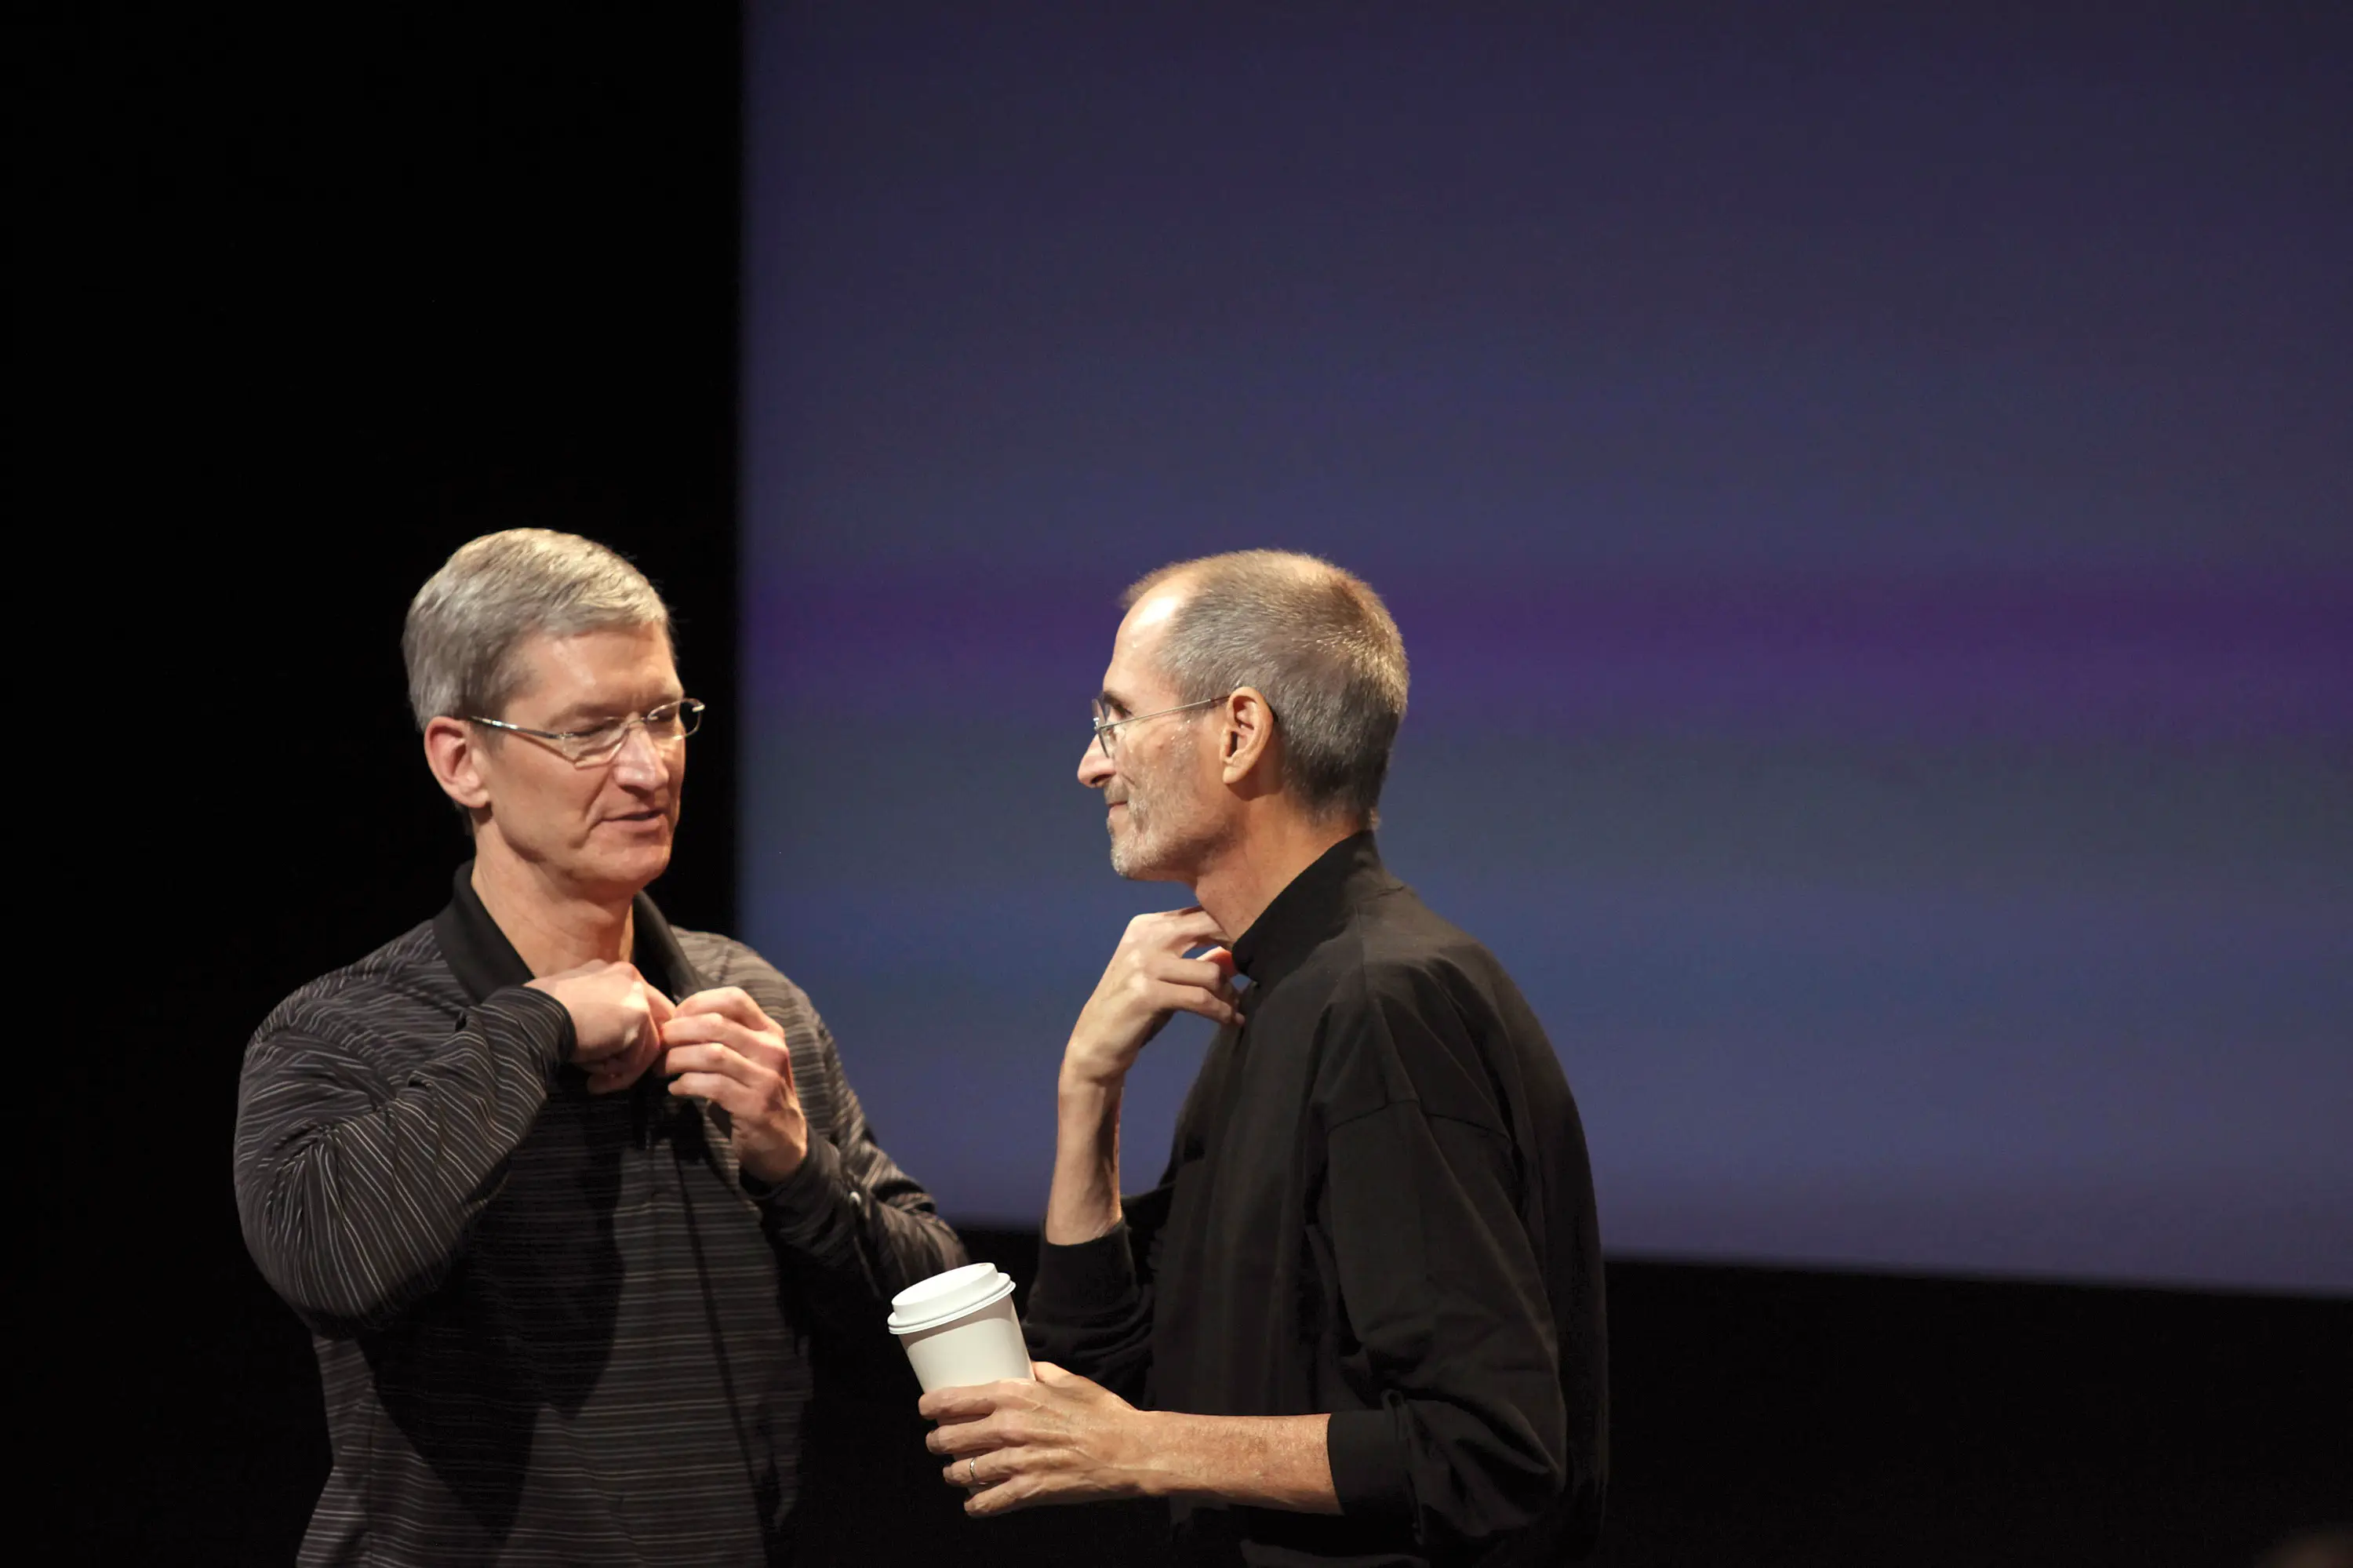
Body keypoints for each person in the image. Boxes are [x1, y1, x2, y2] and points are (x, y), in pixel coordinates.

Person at [235, 529, 965, 1566]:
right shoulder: (342, 1029)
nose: (648, 766)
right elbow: (336, 1263)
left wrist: (800, 1167)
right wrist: (534, 1029)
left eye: (664, 716)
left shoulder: (750, 999)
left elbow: (938, 1328)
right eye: (589, 730)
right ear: (460, 759)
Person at [920, 551, 1608, 1565]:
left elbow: (1487, 1453)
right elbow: (1098, 1368)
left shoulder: (1382, 1001)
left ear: (1239, 732)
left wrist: (1149, 1448)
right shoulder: (1282, 995)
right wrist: (1088, 1087)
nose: (1091, 763)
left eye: (1115, 719)